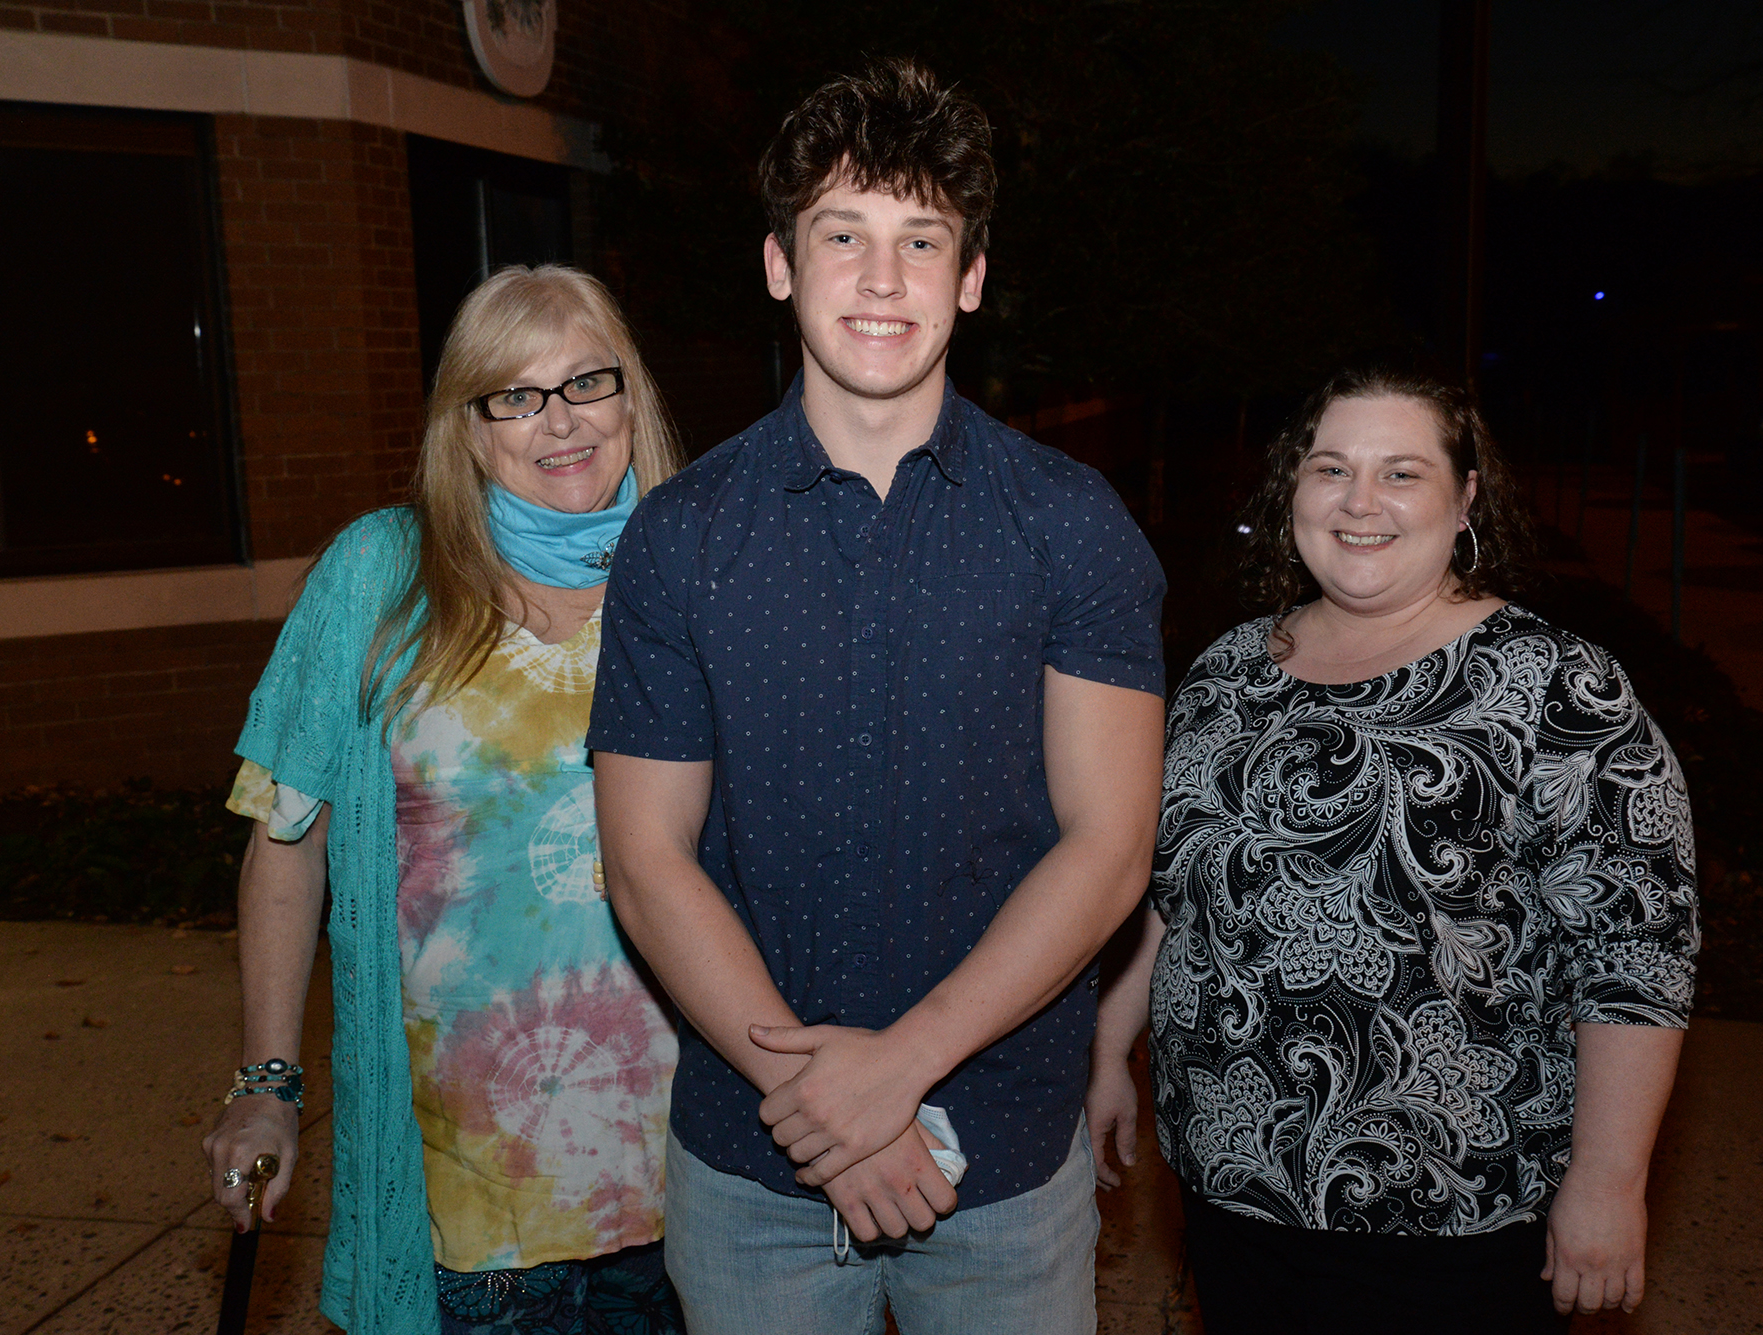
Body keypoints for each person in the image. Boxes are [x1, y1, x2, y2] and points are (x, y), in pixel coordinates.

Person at [588, 59, 1166, 1334]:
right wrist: (830, 1117)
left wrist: (893, 1074)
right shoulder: (680, 538)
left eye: (922, 240)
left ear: (970, 277)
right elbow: (644, 861)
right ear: (780, 264)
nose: (884, 278)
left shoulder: (1070, 526)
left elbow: (1111, 848)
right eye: (842, 235)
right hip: (754, 1169)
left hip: (1007, 1165)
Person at [1087, 364, 1699, 1333]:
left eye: (1400, 473)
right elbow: (1169, 893)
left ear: (1463, 501)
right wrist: (1106, 1055)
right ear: (1292, 491)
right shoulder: (1227, 671)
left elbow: (1634, 960)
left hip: (1456, 1212)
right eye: (1329, 469)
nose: (1358, 502)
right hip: (1231, 1182)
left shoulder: (1557, 687)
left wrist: (1606, 1184)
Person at [202, 265, 688, 1334]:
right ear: (467, 428)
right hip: (475, 1198)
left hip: (702, 1183)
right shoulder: (384, 574)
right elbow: (289, 841)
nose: (556, 421)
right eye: (512, 395)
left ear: (629, 398)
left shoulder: (702, 569)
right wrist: (268, 1081)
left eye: (584, 383)